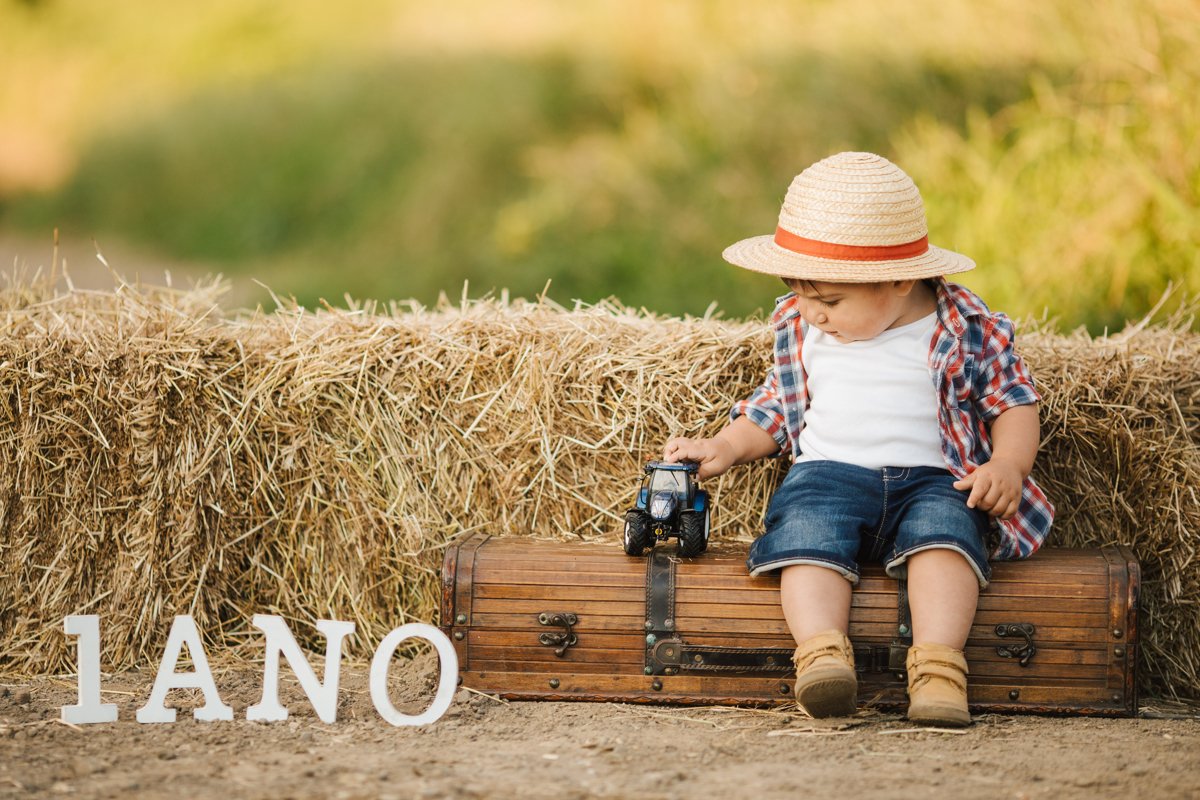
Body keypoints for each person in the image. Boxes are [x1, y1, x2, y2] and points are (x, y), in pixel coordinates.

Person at [663, 152, 1054, 727]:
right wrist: (724, 445)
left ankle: (940, 669)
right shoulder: (802, 328)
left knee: (946, 542)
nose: (812, 314)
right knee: (803, 539)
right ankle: (821, 656)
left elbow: (1013, 402)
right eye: (800, 293)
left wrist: (1010, 465)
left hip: (935, 480)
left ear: (899, 280)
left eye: (830, 300)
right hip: (829, 474)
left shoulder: (965, 329)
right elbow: (777, 407)